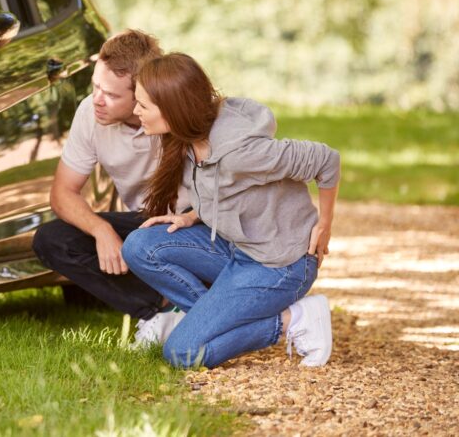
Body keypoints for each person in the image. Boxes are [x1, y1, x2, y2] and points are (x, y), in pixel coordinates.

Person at [121, 53, 339, 368]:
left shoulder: (242, 152)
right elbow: (224, 188)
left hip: (278, 266)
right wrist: (191, 215)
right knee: (140, 246)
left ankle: (295, 319)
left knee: (182, 354)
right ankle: (204, 320)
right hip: (235, 249)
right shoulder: (187, 139)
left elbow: (326, 160)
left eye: (143, 105)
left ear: (172, 108)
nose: (135, 111)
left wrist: (325, 225)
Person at [32, 30, 190, 346]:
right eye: (95, 87)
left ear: (144, 94)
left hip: (197, 227)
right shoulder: (90, 113)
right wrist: (102, 231)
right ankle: (159, 311)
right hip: (146, 225)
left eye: (112, 95)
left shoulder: (180, 111)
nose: (97, 100)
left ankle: (204, 300)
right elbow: (62, 194)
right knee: (52, 240)